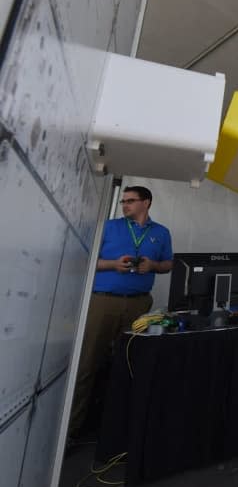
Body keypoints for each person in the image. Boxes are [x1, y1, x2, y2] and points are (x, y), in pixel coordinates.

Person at [68, 185, 172, 439]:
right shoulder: (108, 227)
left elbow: (168, 264)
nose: (124, 205)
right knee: (87, 364)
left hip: (139, 304)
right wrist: (113, 264)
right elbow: (85, 259)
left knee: (128, 364)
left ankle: (115, 430)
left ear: (146, 203)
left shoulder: (161, 232)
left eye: (130, 201)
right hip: (103, 302)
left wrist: (153, 265)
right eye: (123, 201)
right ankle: (71, 430)